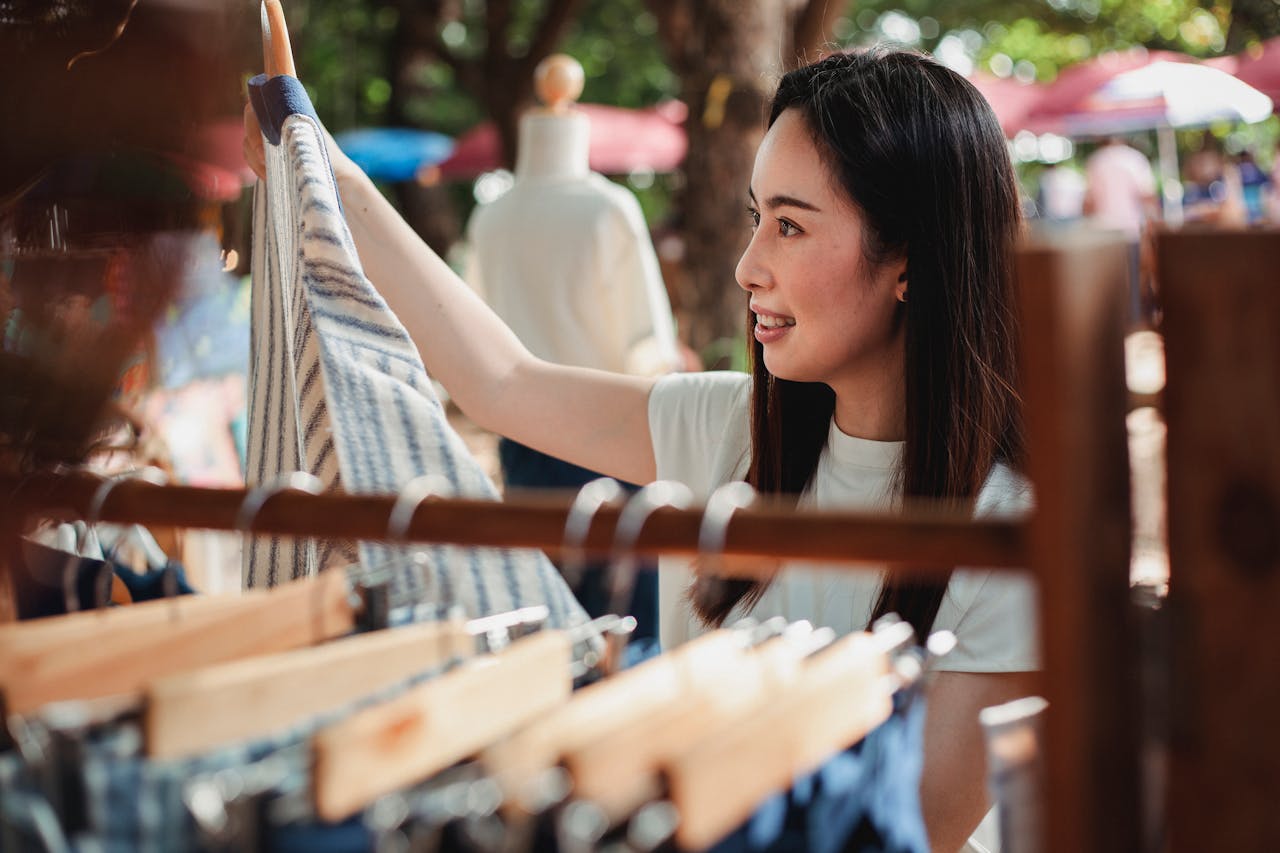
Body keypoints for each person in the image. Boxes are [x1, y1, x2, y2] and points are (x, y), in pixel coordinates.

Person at [244, 47, 1037, 852]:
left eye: (790, 226)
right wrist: (320, 167)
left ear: (909, 259)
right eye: (755, 217)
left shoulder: (1006, 533)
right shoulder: (728, 430)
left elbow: (916, 832)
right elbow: (503, 382)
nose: (747, 265)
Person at [465, 55, 680, 640]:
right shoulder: (609, 210)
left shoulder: (491, 218)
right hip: (608, 433)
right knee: (627, 628)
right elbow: (647, 346)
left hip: (524, 438)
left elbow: (471, 331)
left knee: (546, 620)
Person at [1083, 136, 1159, 323]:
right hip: (1130, 229)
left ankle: (1113, 324)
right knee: (1133, 280)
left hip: (1104, 233)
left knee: (1108, 283)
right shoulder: (1135, 159)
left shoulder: (1095, 161)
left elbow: (1089, 203)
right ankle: (1133, 321)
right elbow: (1147, 196)